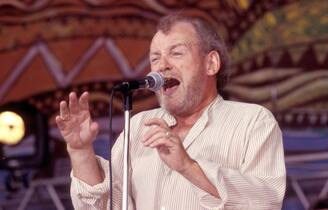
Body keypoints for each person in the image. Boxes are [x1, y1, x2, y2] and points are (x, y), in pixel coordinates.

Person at [56, 14, 286, 210]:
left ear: (211, 64)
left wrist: (188, 167)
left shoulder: (252, 121)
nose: (161, 65)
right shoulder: (139, 126)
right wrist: (81, 151)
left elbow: (266, 201)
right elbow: (105, 205)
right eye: (155, 57)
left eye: (176, 53)